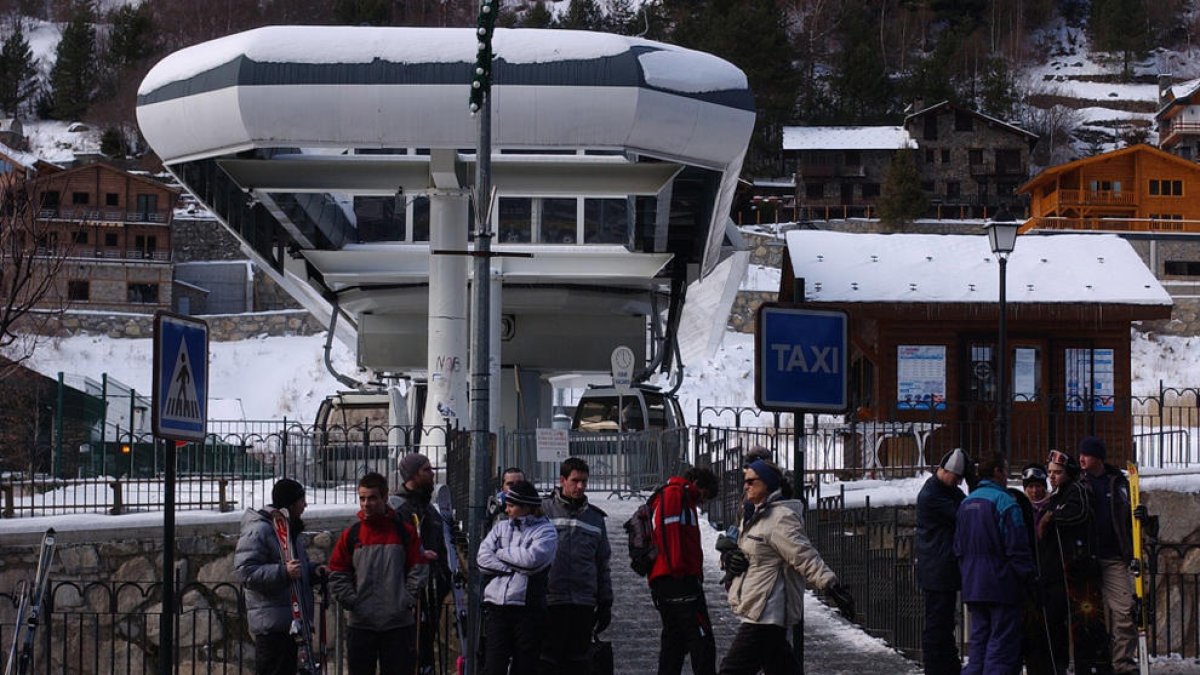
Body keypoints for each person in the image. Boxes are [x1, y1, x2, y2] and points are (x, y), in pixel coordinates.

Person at [718, 459, 855, 675]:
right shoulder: (753, 514)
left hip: (767, 611)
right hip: (757, 604)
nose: (746, 486)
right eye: (745, 481)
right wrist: (729, 558)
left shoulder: (780, 517)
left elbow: (804, 556)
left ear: (768, 484)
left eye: (752, 481)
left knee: (732, 670)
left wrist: (831, 586)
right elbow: (743, 549)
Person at [328, 472, 428, 675]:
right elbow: (337, 572)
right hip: (361, 624)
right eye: (362, 498)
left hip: (397, 624)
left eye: (372, 498)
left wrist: (405, 600)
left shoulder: (404, 533)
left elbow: (418, 568)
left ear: (384, 497)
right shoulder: (351, 535)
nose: (366, 504)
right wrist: (353, 601)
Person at [954, 451, 1035, 675]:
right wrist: (1027, 576)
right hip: (1002, 585)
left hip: (974, 584)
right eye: (1005, 471)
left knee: (978, 643)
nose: (1007, 476)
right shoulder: (1005, 502)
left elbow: (958, 547)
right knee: (1001, 646)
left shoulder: (966, 503)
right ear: (998, 472)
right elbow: (1017, 546)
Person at [234, 478, 324, 675]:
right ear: (291, 504)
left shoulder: (288, 530)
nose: (305, 505)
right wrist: (283, 572)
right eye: (302, 501)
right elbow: (245, 572)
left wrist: (312, 571)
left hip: (292, 624)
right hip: (273, 628)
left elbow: (295, 568)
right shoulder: (260, 530)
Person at [540, 457, 614, 675]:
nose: (580, 486)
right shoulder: (543, 511)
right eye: (575, 481)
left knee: (578, 662)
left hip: (582, 602)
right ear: (562, 480)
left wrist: (605, 600)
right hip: (551, 600)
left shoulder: (595, 518)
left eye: (584, 481)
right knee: (547, 661)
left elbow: (603, 562)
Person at [477, 479, 558, 675]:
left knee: (525, 665)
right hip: (497, 606)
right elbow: (482, 558)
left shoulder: (546, 531)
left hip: (527, 607)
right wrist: (512, 567)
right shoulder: (501, 527)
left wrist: (501, 553)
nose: (506, 510)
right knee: (493, 666)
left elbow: (533, 561)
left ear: (527, 507)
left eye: (512, 505)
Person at [1043, 449, 1112, 674]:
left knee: (1087, 623)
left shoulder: (1077, 490)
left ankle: (1095, 666)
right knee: (1070, 623)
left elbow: (1078, 513)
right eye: (1050, 472)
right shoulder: (1056, 495)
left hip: (1081, 569)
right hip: (1064, 572)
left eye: (1057, 472)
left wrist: (1053, 517)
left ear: (1068, 472)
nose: (1052, 476)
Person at [647, 466, 719, 675]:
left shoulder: (678, 495)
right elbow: (670, 534)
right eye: (704, 495)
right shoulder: (676, 494)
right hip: (678, 581)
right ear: (697, 483)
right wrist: (679, 572)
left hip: (669, 578)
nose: (702, 501)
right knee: (702, 640)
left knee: (675, 641)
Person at [1078, 436, 1138, 674]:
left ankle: (1123, 664)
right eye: (1081, 453)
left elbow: (1132, 516)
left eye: (1087, 454)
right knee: (1087, 617)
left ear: (1099, 458)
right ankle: (1093, 664)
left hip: (1113, 558)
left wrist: (1141, 516)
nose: (1081, 458)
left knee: (1125, 613)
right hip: (1085, 560)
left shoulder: (1119, 483)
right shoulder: (1078, 483)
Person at [388, 453, 451, 675]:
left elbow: (441, 545)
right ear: (414, 474)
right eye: (427, 470)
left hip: (432, 589)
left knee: (425, 651)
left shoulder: (428, 509)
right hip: (410, 593)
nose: (432, 473)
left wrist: (444, 577)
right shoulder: (399, 509)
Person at [916, 448, 968, 675]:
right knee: (938, 624)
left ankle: (947, 666)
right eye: (956, 479)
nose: (958, 483)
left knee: (944, 623)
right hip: (937, 570)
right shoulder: (933, 496)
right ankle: (937, 668)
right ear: (945, 471)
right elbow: (965, 513)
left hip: (939, 568)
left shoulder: (944, 490)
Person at [1023, 462, 1068, 675]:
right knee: (1033, 628)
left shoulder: (1055, 506)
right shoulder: (1021, 508)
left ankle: (1058, 666)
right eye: (1030, 486)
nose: (1034, 491)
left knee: (1056, 624)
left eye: (1038, 486)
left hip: (1053, 574)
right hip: (1031, 576)